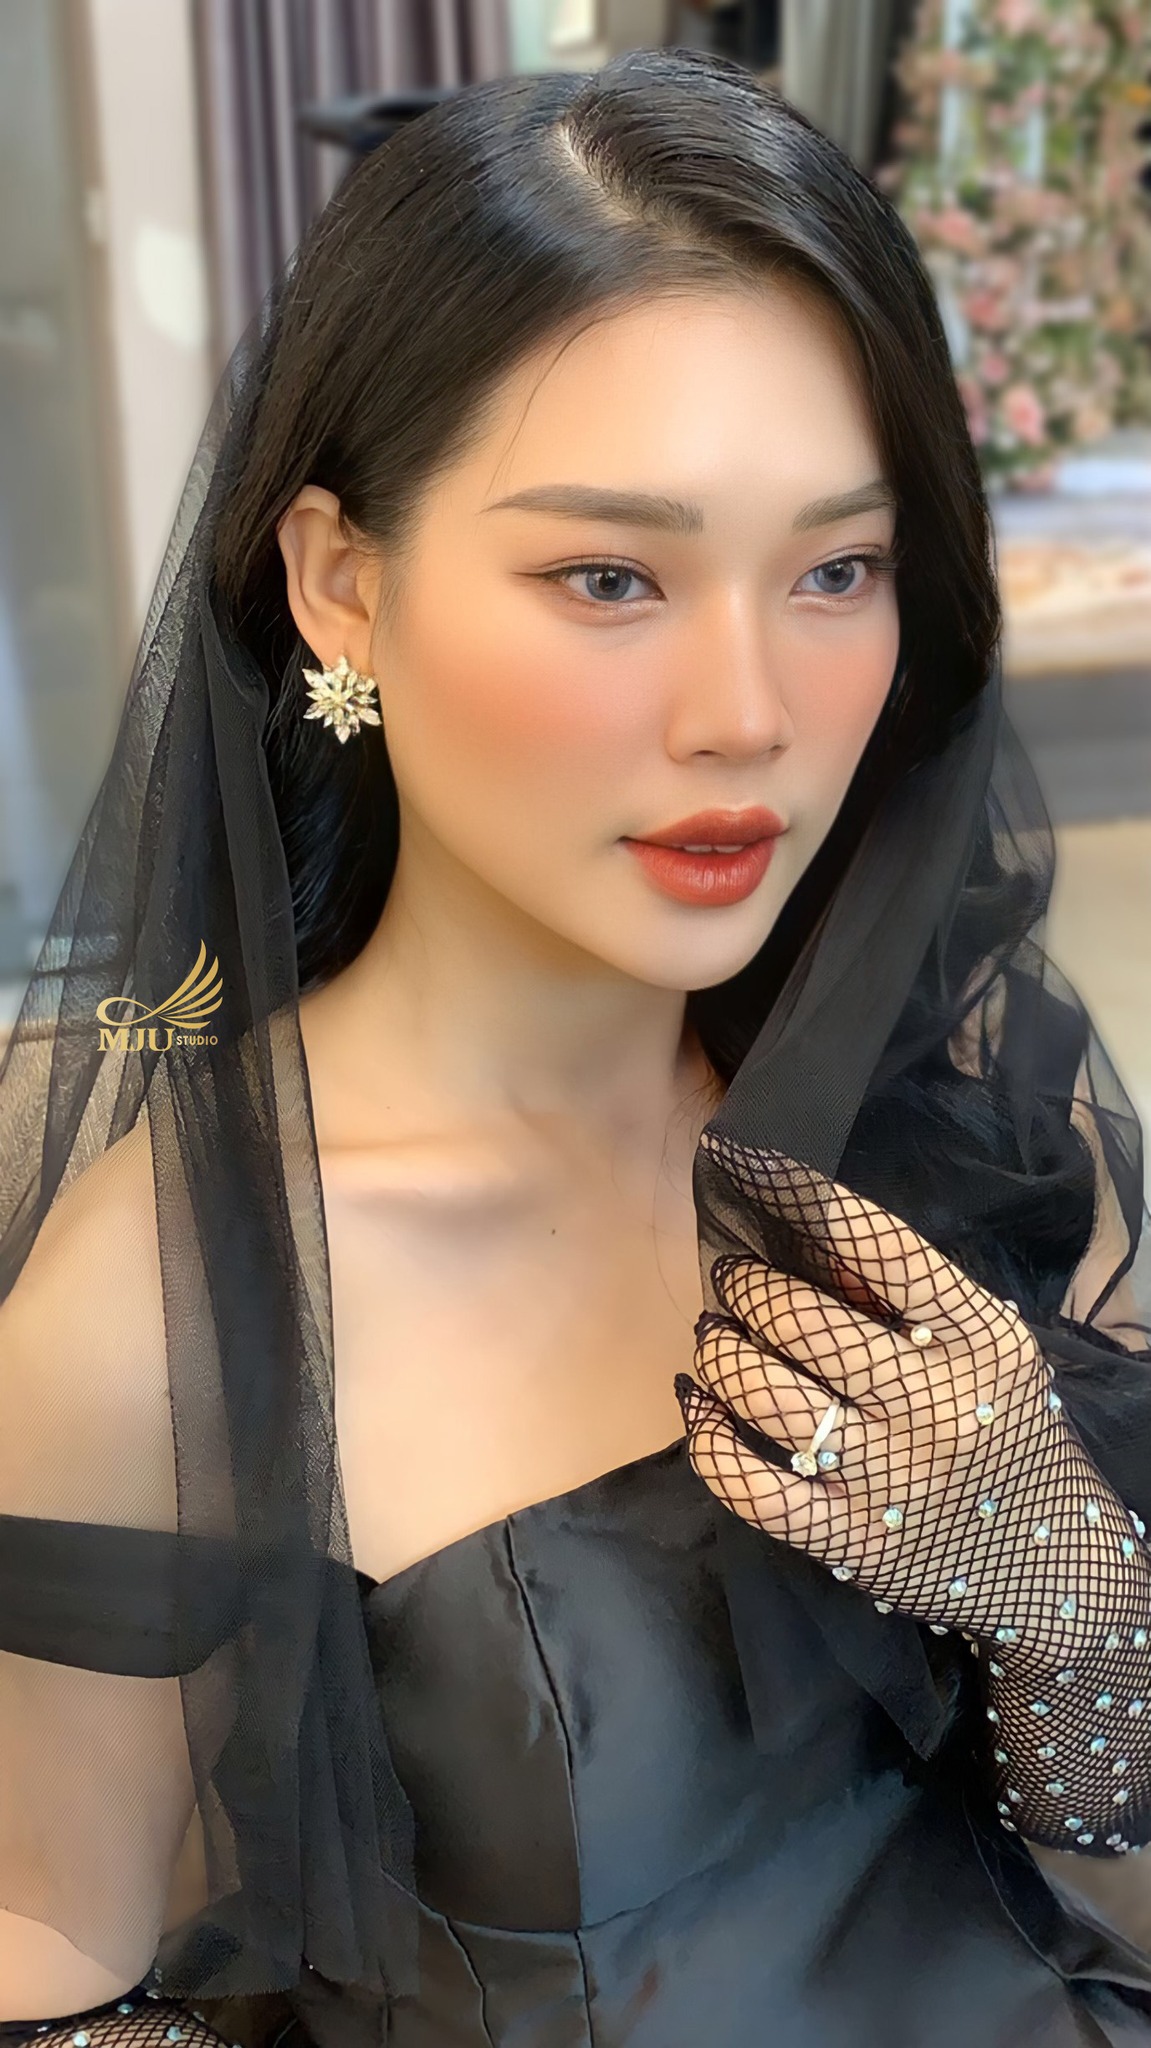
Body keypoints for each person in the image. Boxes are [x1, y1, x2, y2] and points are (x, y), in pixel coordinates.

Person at [2, 45, 1151, 2048]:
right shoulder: (169, 1301)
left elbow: (1095, 1859)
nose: (748, 711)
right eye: (609, 576)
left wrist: (1067, 1599)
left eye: (837, 569)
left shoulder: (941, 1101)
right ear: (341, 584)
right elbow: (48, 1964)